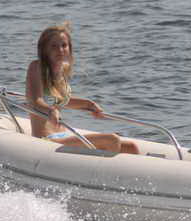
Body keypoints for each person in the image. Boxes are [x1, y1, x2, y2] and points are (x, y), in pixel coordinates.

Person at [25, 24, 139, 154]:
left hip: (64, 135)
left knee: (132, 147)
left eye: (64, 45)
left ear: (69, 48)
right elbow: (36, 100)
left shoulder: (61, 71)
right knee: (112, 140)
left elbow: (60, 101)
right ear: (45, 49)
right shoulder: (36, 67)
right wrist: (51, 111)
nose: (60, 50)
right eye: (54, 46)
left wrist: (88, 104)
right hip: (47, 140)